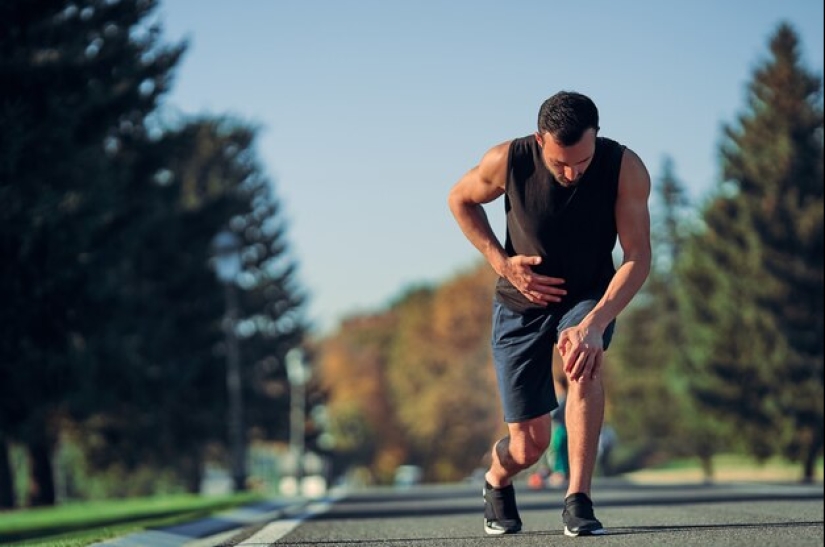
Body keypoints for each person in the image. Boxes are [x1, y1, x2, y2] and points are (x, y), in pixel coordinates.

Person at [447, 90, 651, 537]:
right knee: (531, 443)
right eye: (561, 163)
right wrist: (503, 264)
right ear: (541, 141)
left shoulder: (624, 168)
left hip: (586, 297)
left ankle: (578, 499)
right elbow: (459, 199)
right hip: (519, 305)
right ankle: (496, 481)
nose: (573, 172)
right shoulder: (507, 159)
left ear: (596, 136)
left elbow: (637, 257)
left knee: (584, 364)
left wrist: (595, 322)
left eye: (582, 160)